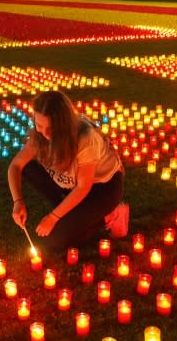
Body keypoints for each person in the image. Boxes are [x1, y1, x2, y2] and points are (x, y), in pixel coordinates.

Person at [8, 91, 128, 253]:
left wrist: (53, 218)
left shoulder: (86, 137)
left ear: (63, 124)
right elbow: (16, 165)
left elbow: (83, 187)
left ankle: (110, 215)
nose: (45, 133)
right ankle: (70, 212)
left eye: (50, 128)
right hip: (72, 182)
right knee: (27, 167)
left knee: (53, 242)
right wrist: (18, 202)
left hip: (102, 188)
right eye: (39, 125)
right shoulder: (41, 134)